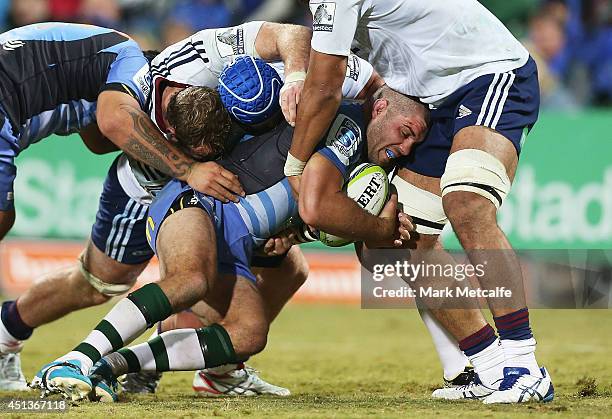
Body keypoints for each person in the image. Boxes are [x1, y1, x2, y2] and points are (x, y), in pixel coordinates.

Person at [31, 66, 419, 401]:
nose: (406, 146)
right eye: (405, 132)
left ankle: (111, 366)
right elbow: (317, 205)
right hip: (200, 201)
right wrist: (380, 227)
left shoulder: (369, 161)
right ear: (380, 108)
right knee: (190, 280)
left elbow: (312, 213)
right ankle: (74, 360)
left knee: (249, 334)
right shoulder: (349, 126)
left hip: (236, 236)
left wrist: (300, 232)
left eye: (415, 142)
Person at [286, 0, 552, 404]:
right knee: (393, 240)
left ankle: (524, 366)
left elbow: (325, 85)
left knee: (466, 205)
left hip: (489, 73)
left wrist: (296, 164)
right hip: (428, 99)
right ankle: (490, 366)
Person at [0, 21, 245, 391]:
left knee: (97, 281)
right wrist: (188, 168)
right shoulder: (133, 65)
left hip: (10, 91)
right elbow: (115, 120)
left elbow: (98, 139)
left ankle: (5, 334)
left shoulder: (100, 75)